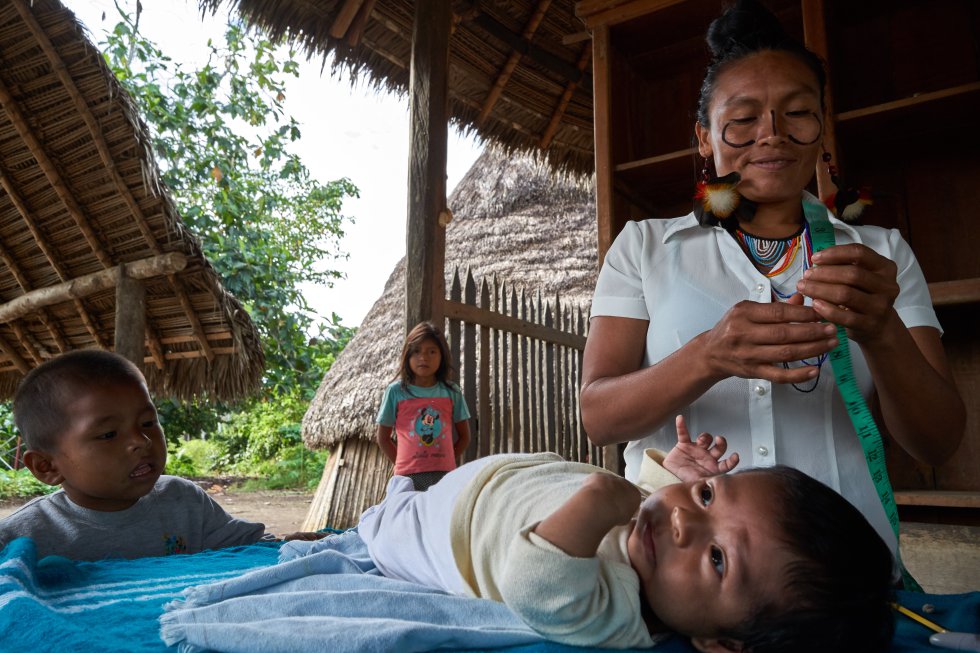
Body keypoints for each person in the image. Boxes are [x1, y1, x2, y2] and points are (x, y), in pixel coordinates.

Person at [579, 0, 965, 555]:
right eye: (742, 119)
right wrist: (707, 355)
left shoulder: (880, 254)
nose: (772, 134)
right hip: (685, 569)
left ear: (821, 128)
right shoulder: (644, 248)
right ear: (705, 138)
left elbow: (938, 441)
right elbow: (598, 417)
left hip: (842, 567)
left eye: (798, 112)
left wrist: (882, 333)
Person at [358, 415, 895, 652]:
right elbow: (646, 496)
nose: (683, 518)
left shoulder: (621, 614)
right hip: (515, 477)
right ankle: (406, 491)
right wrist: (673, 473)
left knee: (386, 530)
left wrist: (597, 498)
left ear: (723, 644)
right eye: (708, 495)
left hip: (449, 532)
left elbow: (535, 583)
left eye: (718, 560)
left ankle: (390, 505)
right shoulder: (656, 535)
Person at [0, 349, 322, 561]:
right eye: (108, 434)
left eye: (147, 423)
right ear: (46, 466)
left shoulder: (183, 501)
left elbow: (245, 549)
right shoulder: (21, 539)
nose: (140, 441)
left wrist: (285, 544)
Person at [375, 321, 471, 490]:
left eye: (432, 352)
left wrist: (447, 460)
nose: (424, 357)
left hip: (445, 475)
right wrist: (402, 463)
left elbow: (465, 437)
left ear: (442, 356)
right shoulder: (396, 391)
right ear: (408, 356)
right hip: (407, 476)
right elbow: (383, 438)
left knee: (441, 515)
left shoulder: (452, 392)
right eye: (417, 351)